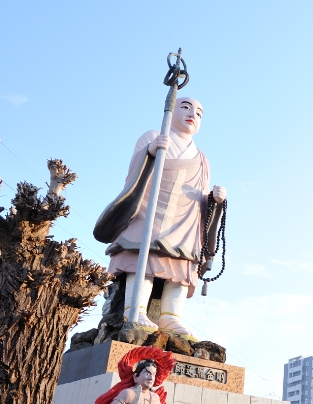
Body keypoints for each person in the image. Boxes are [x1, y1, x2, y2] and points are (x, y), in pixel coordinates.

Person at [96, 96, 226, 337]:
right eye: (186, 107)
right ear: (171, 110)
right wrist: (150, 151)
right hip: (151, 210)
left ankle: (171, 317)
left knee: (181, 268)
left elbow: (201, 196)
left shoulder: (202, 158)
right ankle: (134, 309)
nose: (192, 115)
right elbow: (134, 173)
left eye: (199, 113)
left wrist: (216, 200)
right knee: (143, 259)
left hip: (185, 220)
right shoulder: (154, 136)